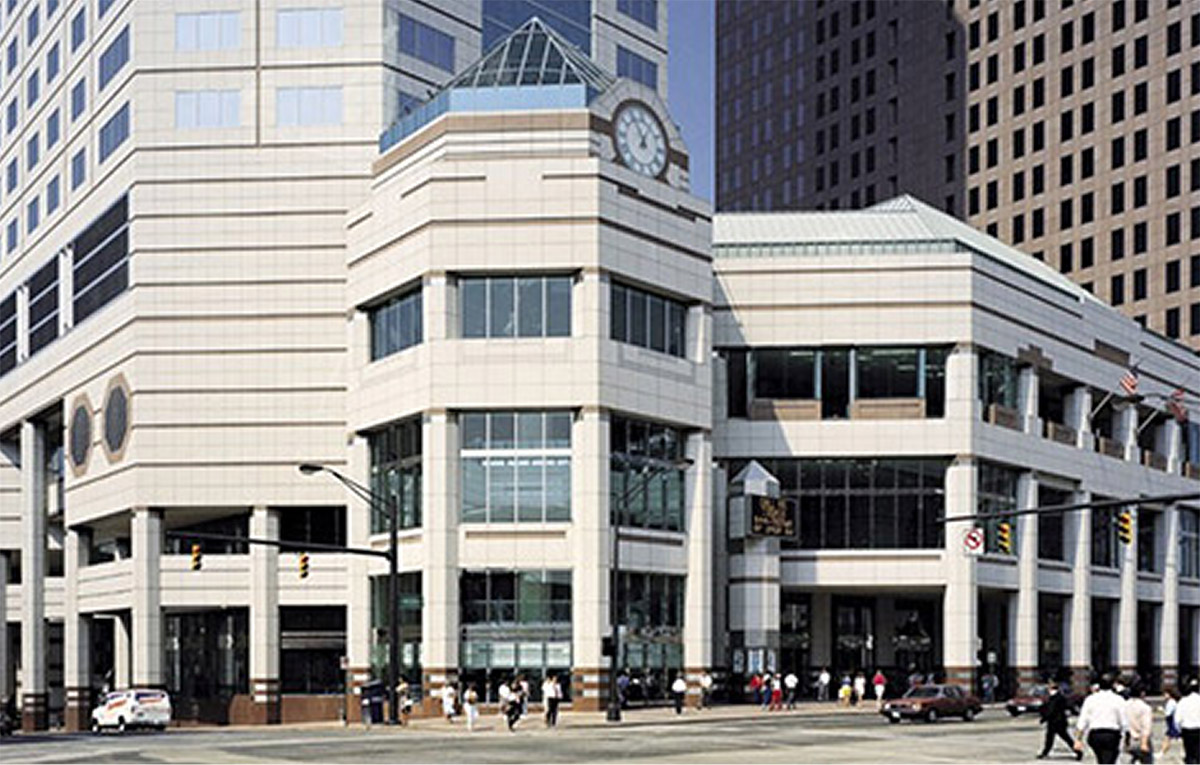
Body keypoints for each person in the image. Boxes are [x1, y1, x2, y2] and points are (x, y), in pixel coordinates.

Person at [1075, 674, 1129, 765]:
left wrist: (1078, 739)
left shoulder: (1090, 699)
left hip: (1095, 735)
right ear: (1113, 685)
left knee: (1102, 759)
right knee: (1108, 760)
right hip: (1111, 735)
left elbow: (1082, 721)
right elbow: (1124, 721)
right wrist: (1127, 737)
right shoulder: (1118, 700)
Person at [1037, 683, 1076, 760]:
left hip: (1056, 722)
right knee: (1050, 739)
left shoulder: (1056, 698)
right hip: (1057, 721)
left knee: (1065, 738)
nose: (1049, 690)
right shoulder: (1057, 697)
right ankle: (1045, 753)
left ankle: (1078, 751)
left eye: (1050, 689)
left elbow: (1051, 710)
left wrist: (1044, 718)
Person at [1125, 684, 1154, 764]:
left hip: (1128, 739)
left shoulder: (1125, 705)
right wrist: (1144, 743)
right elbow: (1146, 726)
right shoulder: (1145, 707)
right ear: (1142, 693)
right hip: (1140, 739)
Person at [1177, 678, 1200, 764]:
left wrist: (1179, 730)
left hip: (1187, 729)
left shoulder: (1183, 701)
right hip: (1198, 729)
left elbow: (1177, 719)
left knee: (1189, 754)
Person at [1162, 688, 1182, 759]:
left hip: (1172, 722)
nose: (1164, 696)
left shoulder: (1171, 702)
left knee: (1168, 737)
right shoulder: (1172, 702)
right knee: (1168, 737)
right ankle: (1163, 752)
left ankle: (1162, 752)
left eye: (1165, 694)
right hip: (1172, 722)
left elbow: (1168, 713)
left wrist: (1161, 711)